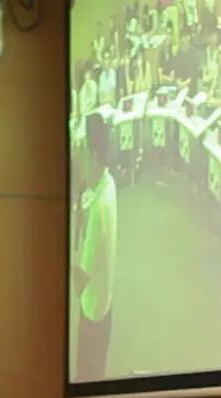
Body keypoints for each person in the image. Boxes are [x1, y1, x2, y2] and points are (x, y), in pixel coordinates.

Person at [72, 111, 119, 382]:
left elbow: (80, 278)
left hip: (93, 311)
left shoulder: (99, 211)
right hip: (105, 301)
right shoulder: (108, 182)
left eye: (81, 147)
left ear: (94, 155)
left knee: (87, 376)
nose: (77, 153)